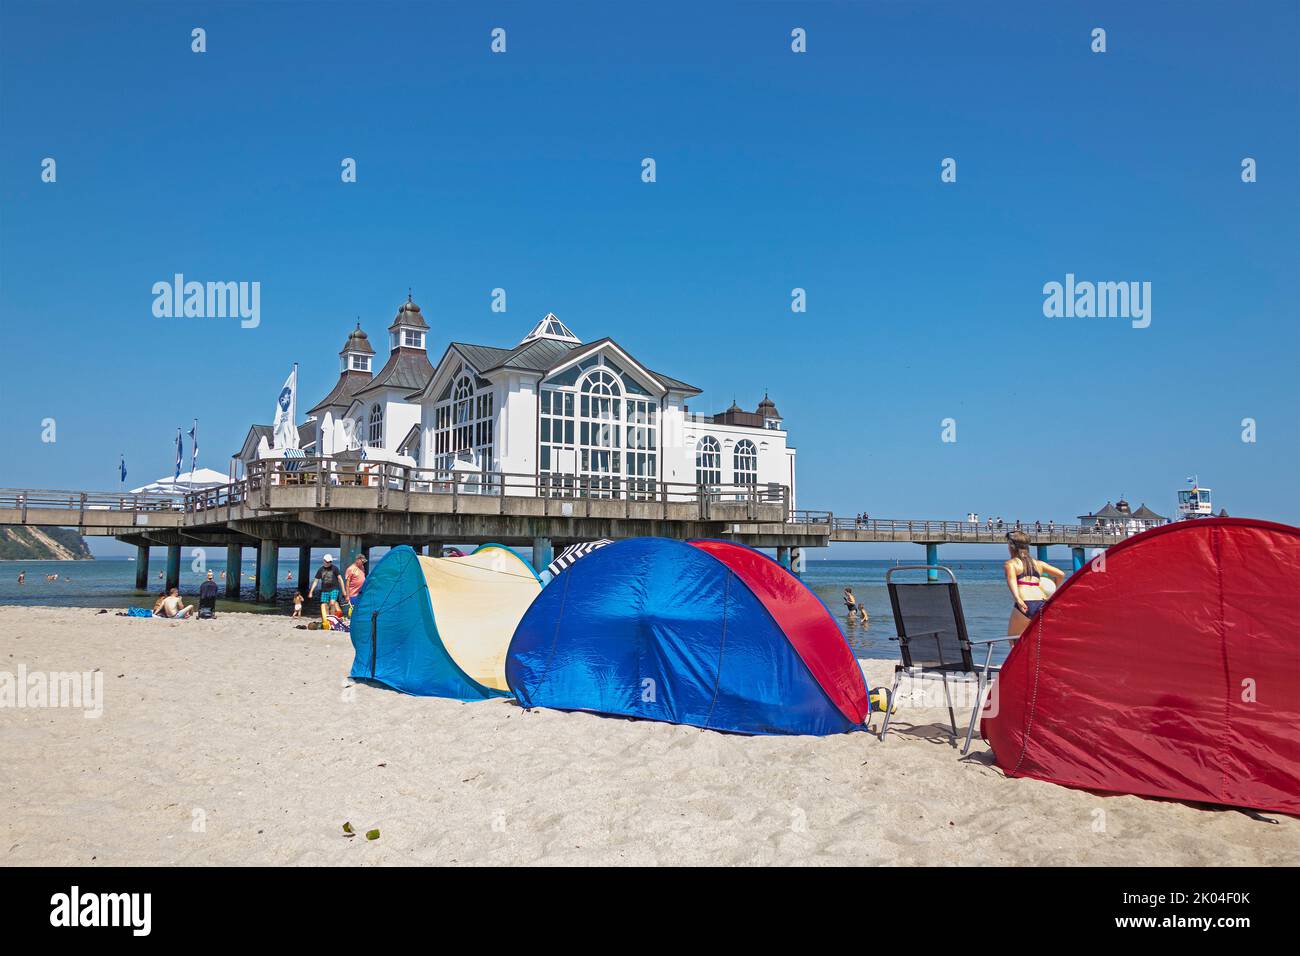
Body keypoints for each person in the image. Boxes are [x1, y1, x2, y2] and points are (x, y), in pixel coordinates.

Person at [1004, 530, 1065, 637]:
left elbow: (1011, 580)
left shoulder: (1011, 564)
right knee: (1035, 637)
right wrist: (1053, 595)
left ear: (1011, 546)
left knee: (1014, 639)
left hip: (1025, 602)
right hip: (1041, 603)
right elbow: (1061, 574)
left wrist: (1018, 599)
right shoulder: (1038, 564)